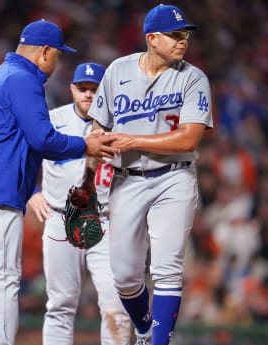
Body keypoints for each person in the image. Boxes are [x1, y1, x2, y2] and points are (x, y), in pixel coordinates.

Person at [0, 20, 117, 345]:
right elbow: (42, 139)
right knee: (4, 280)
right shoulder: (22, 79)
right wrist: (85, 145)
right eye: (57, 54)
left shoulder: (5, 75)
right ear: (45, 51)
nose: (57, 62)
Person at [86, 4, 213, 345]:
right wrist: (89, 169)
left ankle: (159, 342)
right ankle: (143, 330)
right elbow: (98, 128)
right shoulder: (118, 70)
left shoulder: (193, 77)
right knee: (125, 276)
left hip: (175, 176)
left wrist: (134, 139)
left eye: (185, 34)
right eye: (175, 35)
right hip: (127, 178)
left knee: (167, 269)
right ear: (152, 39)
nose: (182, 41)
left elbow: (190, 137)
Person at [27, 62, 131, 345]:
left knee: (116, 304)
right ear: (72, 89)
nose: (88, 94)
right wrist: (31, 191)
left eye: (94, 90)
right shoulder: (52, 119)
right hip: (60, 218)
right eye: (82, 88)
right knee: (60, 304)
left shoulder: (122, 126)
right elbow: (23, 157)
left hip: (106, 219)